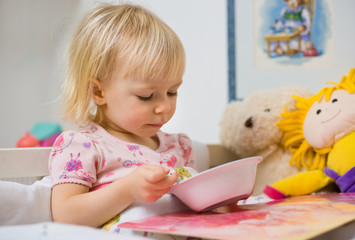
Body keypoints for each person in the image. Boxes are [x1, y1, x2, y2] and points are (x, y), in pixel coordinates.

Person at [49, 3, 196, 229]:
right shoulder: (83, 146)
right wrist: (128, 190)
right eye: (146, 96)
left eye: (172, 92)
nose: (164, 107)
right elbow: (66, 215)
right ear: (99, 92)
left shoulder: (180, 147)